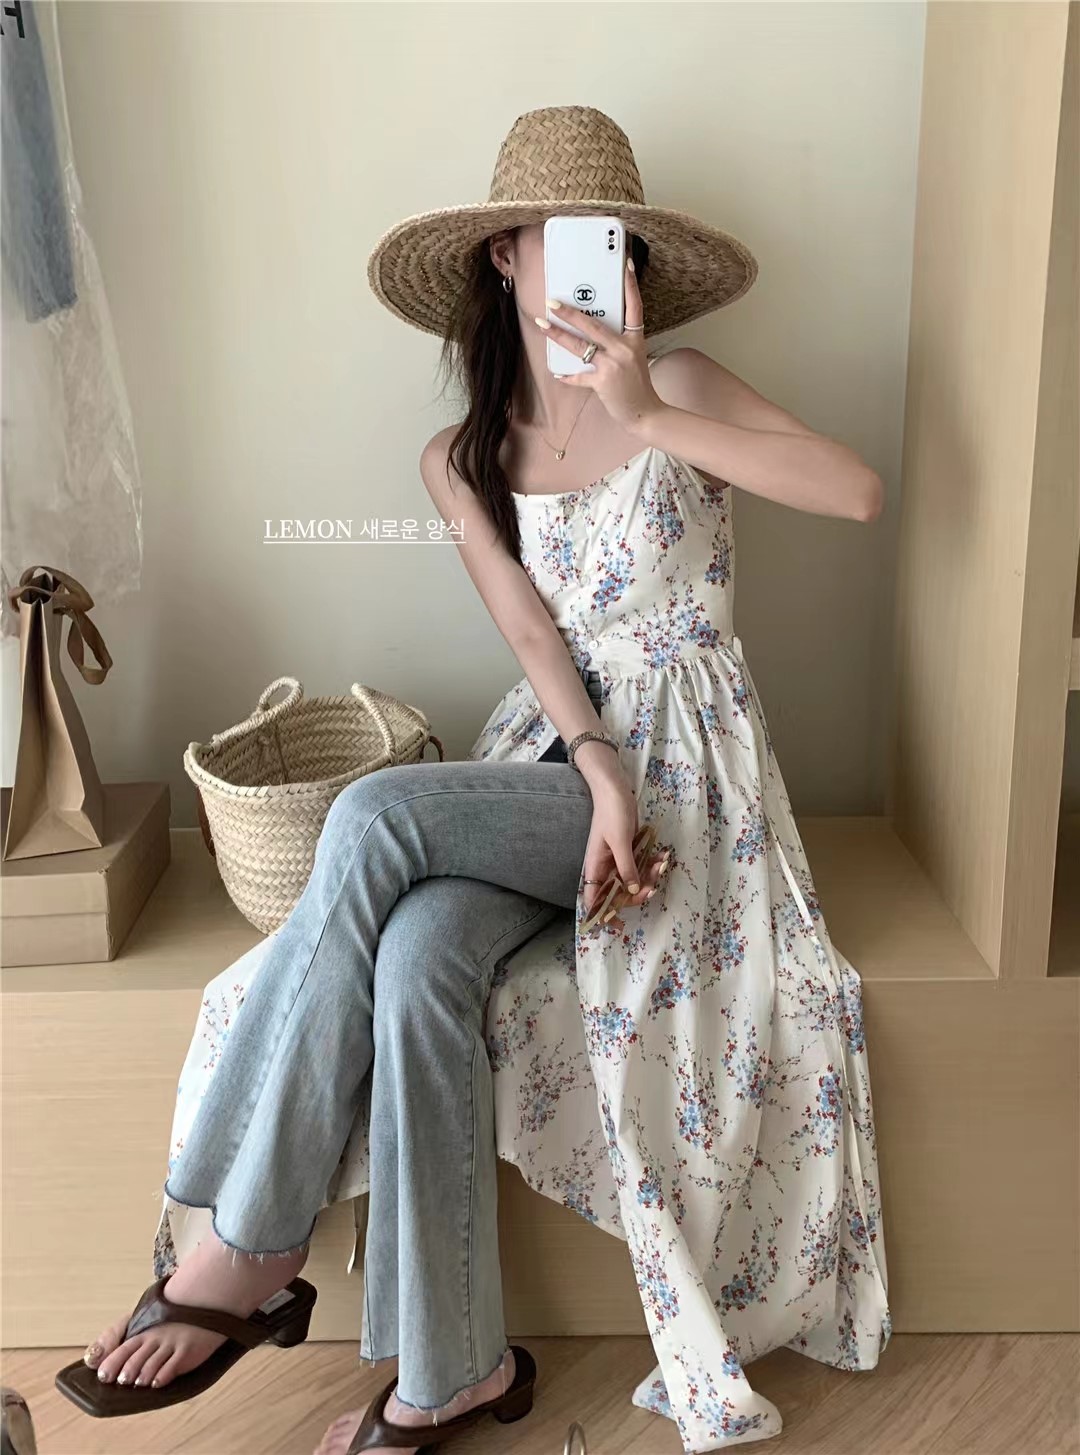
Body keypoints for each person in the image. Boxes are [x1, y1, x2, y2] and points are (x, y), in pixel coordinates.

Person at [56, 105, 892, 1455]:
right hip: (560, 762)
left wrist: (641, 411)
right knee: (418, 950)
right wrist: (596, 773)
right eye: (563, 240)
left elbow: (854, 491)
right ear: (505, 256)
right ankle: (456, 1366)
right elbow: (531, 637)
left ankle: (252, 1242)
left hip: (695, 773)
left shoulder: (681, 383)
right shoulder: (461, 457)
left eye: (614, 245)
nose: (595, 269)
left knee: (377, 822)